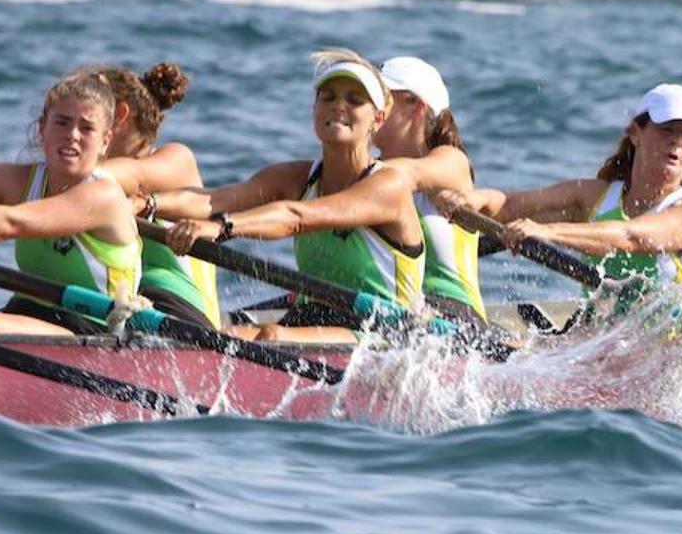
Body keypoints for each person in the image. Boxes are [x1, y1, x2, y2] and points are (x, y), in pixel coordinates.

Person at [155, 49, 423, 343]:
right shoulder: (295, 178)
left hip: (387, 332)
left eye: (355, 100)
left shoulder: (389, 185)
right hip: (312, 316)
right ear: (314, 109)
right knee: (224, 336)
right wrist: (145, 203)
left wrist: (222, 227)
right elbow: (210, 201)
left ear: (379, 118)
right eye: (328, 97)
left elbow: (297, 217)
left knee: (273, 336)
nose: (339, 107)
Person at [436, 83, 682, 322]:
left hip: (675, 356)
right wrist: (470, 199)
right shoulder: (595, 197)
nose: (677, 142)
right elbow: (509, 205)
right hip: (609, 347)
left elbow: (630, 235)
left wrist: (548, 232)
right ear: (635, 134)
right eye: (667, 129)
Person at [0, 68, 142, 336]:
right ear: (43, 129)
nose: (73, 134)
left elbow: (9, 223)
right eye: (62, 122)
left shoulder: (103, 196)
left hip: (94, 332)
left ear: (105, 142)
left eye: (86, 128)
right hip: (25, 313)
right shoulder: (14, 180)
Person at [99, 62, 221, 329]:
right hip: (117, 298)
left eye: (86, 114)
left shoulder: (176, 160)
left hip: (180, 306)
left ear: (119, 115)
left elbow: (132, 175)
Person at [373, 55, 488, 328]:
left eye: (378, 96)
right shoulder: (370, 173)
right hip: (395, 312)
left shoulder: (451, 162)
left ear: (415, 104)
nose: (366, 106)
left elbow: (404, 175)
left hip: (457, 319)